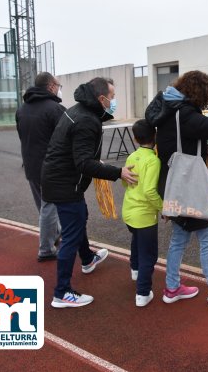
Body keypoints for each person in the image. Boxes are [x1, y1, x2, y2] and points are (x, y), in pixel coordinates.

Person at [145, 70, 208, 310]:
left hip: (174, 182)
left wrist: (203, 150)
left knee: (179, 237)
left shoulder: (170, 110)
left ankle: (172, 287)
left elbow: (179, 143)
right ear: (202, 92)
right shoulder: (186, 113)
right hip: (188, 187)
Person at [42, 77, 138, 308]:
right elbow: (83, 163)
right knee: (72, 234)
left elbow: (78, 153)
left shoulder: (80, 110)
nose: (114, 101)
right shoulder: (86, 120)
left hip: (59, 179)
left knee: (79, 218)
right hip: (65, 184)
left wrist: (94, 159)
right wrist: (118, 172)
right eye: (112, 97)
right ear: (101, 98)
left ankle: (87, 259)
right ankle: (62, 293)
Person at [16, 72, 65, 262]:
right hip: (50, 167)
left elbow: (22, 136)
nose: (59, 89)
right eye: (58, 85)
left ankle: (55, 234)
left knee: (44, 206)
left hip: (30, 165)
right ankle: (46, 249)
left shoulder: (22, 109)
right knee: (49, 206)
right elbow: (64, 140)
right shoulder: (55, 109)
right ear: (51, 86)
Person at [121, 119, 163, 307]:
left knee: (136, 242)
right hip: (145, 214)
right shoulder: (153, 160)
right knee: (149, 254)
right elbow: (149, 191)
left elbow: (125, 182)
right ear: (154, 136)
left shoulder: (132, 157)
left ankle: (135, 270)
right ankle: (143, 293)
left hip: (129, 210)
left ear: (135, 138)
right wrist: (164, 207)